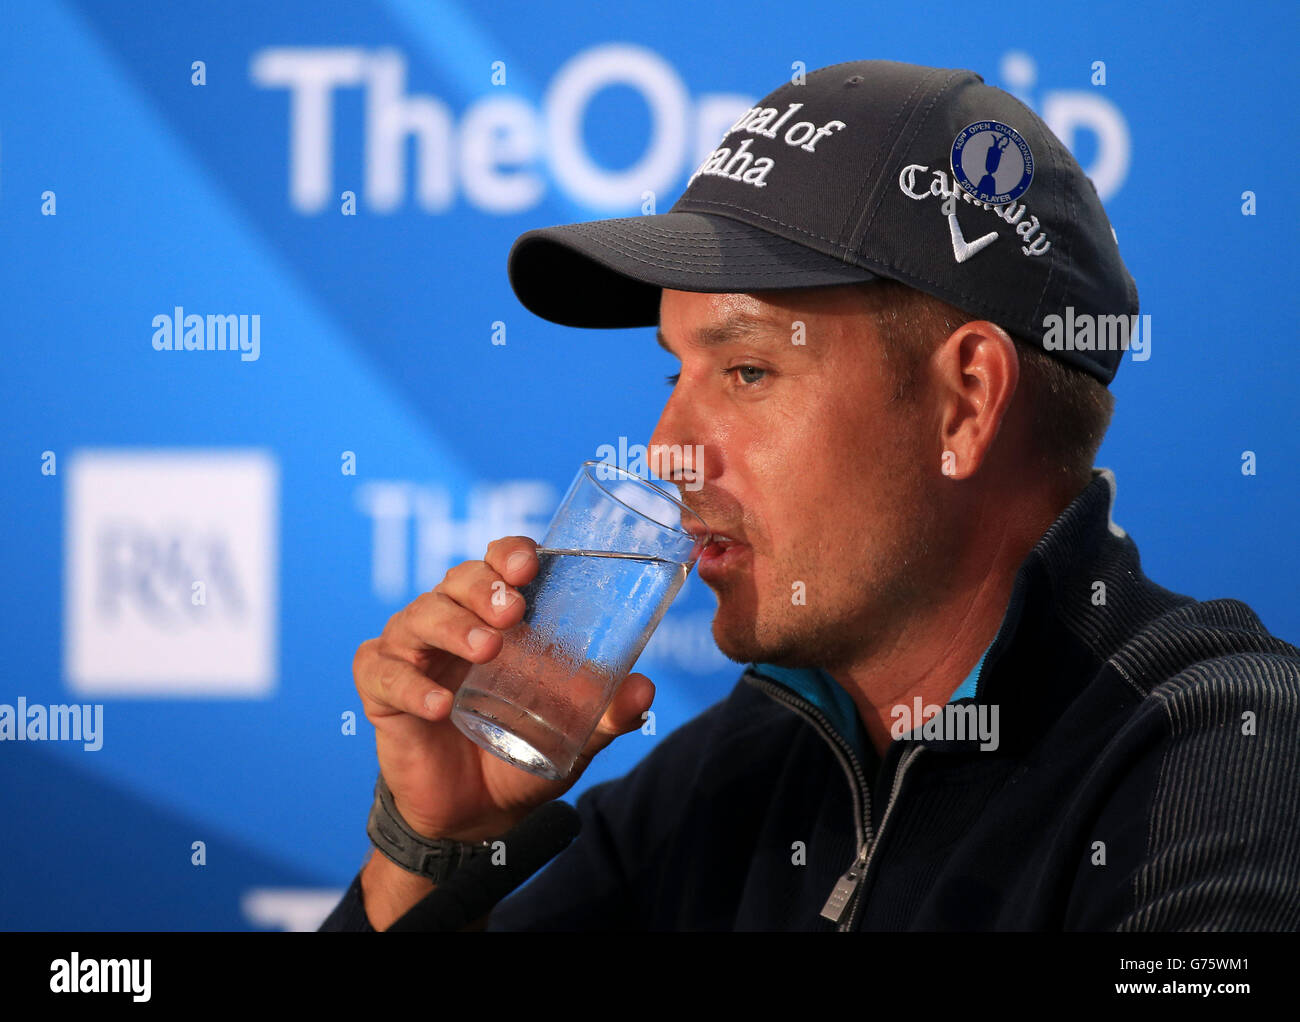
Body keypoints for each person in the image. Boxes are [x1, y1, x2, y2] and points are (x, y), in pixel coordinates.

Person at [320, 59, 1300, 932]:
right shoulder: (724, 777)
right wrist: (433, 849)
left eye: (746, 370)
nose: (667, 454)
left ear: (965, 404)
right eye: (674, 375)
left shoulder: (1231, 756)